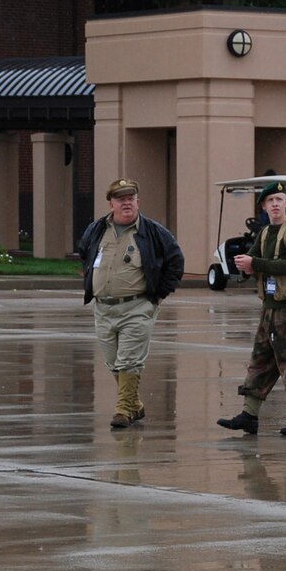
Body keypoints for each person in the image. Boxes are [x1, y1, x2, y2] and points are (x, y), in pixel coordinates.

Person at [217, 181, 286, 436]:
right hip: (271, 307)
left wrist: (255, 263)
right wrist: (245, 266)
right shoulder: (264, 233)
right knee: (261, 358)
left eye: (279, 199)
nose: (275, 204)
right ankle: (249, 414)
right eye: (270, 201)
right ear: (263, 206)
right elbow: (254, 261)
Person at [78, 178, 184, 428]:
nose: (126, 203)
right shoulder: (96, 230)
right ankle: (135, 405)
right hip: (103, 307)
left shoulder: (153, 232)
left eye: (131, 198)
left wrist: (158, 295)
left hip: (137, 307)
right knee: (113, 362)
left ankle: (123, 410)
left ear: (138, 201)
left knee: (129, 360)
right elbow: (85, 253)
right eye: (120, 198)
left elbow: (176, 261)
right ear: (111, 203)